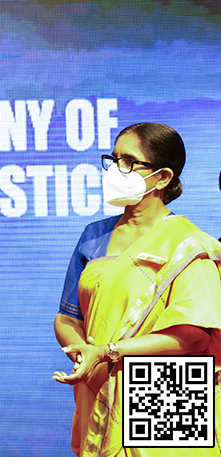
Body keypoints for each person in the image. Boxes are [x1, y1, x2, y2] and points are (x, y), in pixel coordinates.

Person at [53, 122, 221, 456]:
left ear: (162, 177)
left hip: (168, 391)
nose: (117, 169)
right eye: (113, 159)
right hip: (98, 383)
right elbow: (67, 317)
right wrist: (84, 354)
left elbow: (196, 335)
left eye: (129, 162)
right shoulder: (93, 236)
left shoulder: (190, 245)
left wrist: (109, 352)